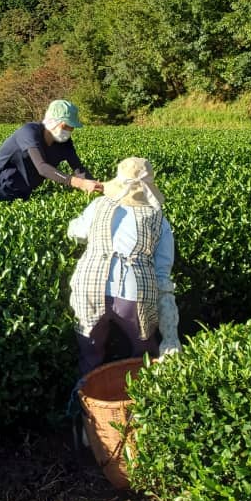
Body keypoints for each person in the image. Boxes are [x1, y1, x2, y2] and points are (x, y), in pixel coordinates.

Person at [67, 157, 180, 374]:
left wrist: (75, 227)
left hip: (89, 287)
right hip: (134, 292)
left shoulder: (99, 204)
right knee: (144, 352)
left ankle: (86, 397)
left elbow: (77, 232)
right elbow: (163, 267)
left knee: (90, 353)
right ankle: (141, 398)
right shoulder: (157, 216)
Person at [0, 99, 102, 205]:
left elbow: (78, 168)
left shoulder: (65, 142)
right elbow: (42, 167)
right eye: (65, 126)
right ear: (52, 122)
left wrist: (95, 185)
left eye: (72, 127)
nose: (69, 130)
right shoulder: (29, 132)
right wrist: (77, 183)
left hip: (22, 192)